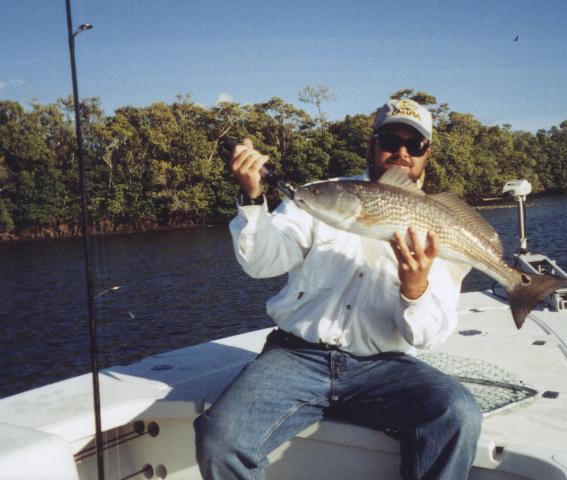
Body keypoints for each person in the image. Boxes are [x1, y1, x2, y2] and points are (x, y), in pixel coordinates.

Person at [194, 99, 482, 479]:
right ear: (371, 144)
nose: (400, 153)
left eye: (414, 145)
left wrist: (415, 288)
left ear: (427, 154)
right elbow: (262, 261)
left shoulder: (440, 225)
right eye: (389, 140)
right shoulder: (323, 194)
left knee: (457, 413)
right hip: (296, 357)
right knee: (220, 439)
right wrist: (252, 199)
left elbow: (427, 335)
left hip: (383, 367)